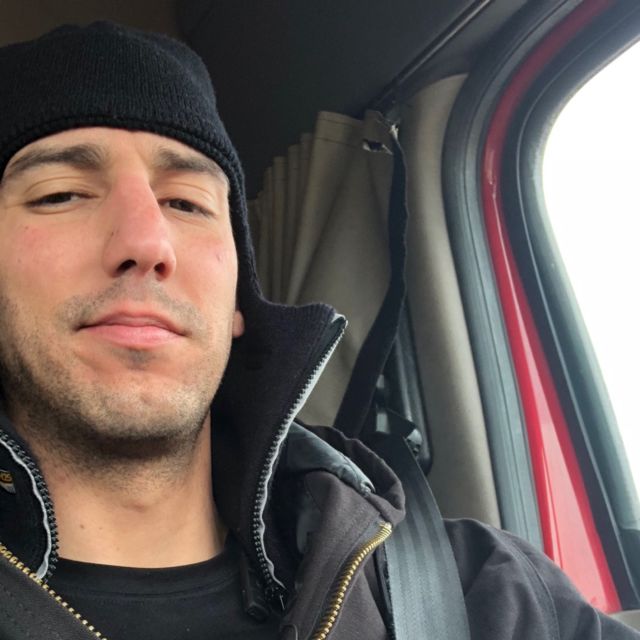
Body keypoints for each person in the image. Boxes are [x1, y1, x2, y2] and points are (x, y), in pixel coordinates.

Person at [0, 21, 637, 640]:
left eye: (187, 203)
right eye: (60, 194)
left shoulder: (488, 593)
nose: (147, 242)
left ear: (238, 301)